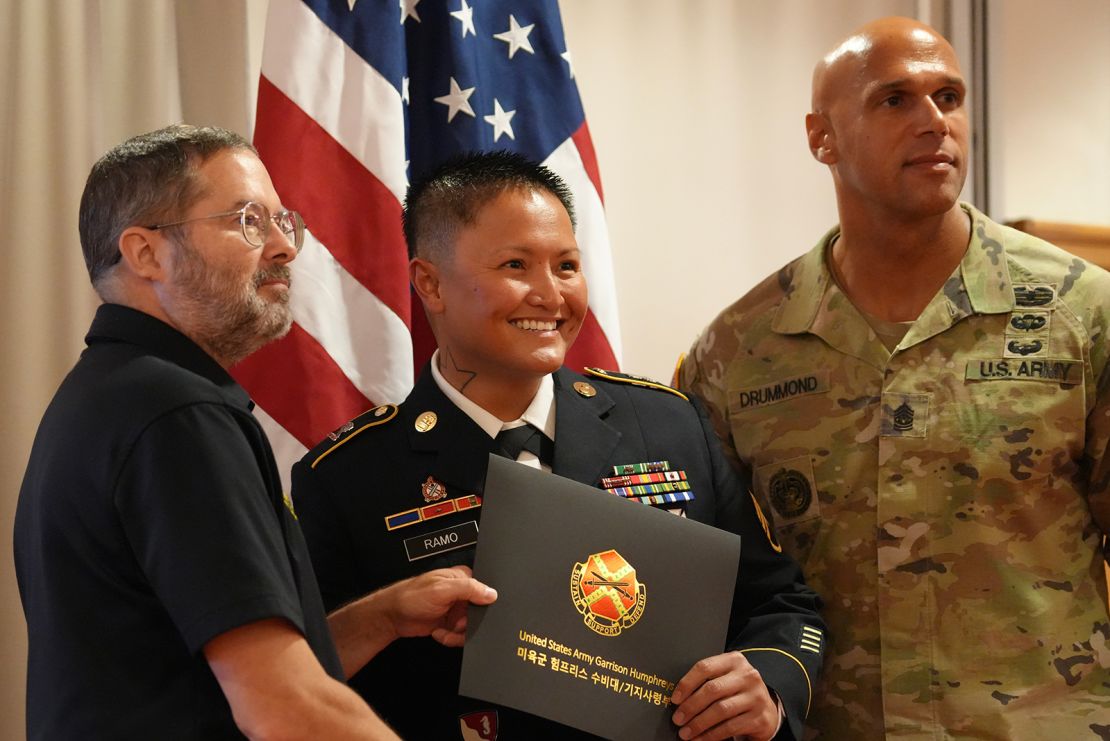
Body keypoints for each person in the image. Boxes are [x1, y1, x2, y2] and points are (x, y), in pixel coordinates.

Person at [291, 150, 825, 741]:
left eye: (567, 266)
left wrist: (766, 688)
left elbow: (780, 602)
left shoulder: (669, 424)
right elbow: (295, 677)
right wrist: (387, 614)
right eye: (516, 265)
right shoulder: (347, 475)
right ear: (430, 283)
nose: (550, 295)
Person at [678, 16, 1110, 739]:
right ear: (822, 137)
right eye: (895, 100)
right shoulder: (737, 352)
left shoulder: (1081, 313)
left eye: (949, 96)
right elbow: (715, 585)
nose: (935, 122)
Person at [14, 124, 497, 740]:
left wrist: (384, 616)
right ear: (145, 253)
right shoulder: (175, 413)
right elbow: (282, 704)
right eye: (246, 220)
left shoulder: (108, 395)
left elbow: (196, 677)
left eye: (280, 220)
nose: (284, 247)